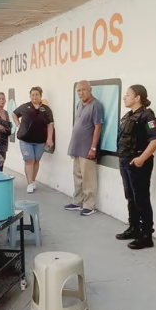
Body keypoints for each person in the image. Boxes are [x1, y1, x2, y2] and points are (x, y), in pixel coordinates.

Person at [116, 85, 156, 250]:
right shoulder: (128, 115)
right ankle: (134, 228)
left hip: (138, 163)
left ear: (138, 98)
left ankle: (146, 235)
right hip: (125, 161)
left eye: (128, 95)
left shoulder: (147, 116)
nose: (124, 97)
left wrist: (141, 158)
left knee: (141, 198)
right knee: (130, 197)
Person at [64, 80, 104, 216]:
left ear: (90, 89)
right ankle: (78, 202)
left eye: (83, 90)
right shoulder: (79, 104)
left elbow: (98, 127)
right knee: (77, 177)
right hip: (76, 147)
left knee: (88, 179)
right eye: (79, 91)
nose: (81, 93)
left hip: (87, 149)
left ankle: (90, 205)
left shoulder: (96, 105)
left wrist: (93, 148)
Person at [13, 87, 54, 193]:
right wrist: (18, 124)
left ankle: (33, 180)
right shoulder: (25, 107)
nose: (34, 97)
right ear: (30, 96)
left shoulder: (46, 109)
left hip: (40, 140)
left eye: (37, 95)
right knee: (29, 160)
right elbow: (14, 114)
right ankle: (29, 183)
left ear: (41, 96)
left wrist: (49, 138)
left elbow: (50, 124)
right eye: (32, 95)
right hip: (25, 139)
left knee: (36, 160)